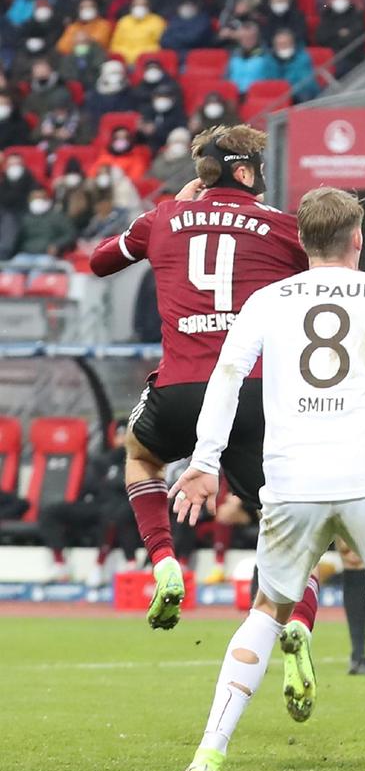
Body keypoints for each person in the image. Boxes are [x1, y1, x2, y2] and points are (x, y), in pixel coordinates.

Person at [169, 186, 365, 771]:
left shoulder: (267, 299)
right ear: (358, 240)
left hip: (292, 479)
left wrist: (206, 459)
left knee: (267, 610)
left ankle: (207, 757)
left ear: (303, 241)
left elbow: (226, 378)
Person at [88, 124, 309, 630]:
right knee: (292, 518)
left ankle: (164, 560)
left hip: (181, 389)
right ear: (246, 170)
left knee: (141, 457)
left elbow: (99, 261)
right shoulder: (282, 227)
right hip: (253, 394)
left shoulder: (164, 218)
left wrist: (169, 208)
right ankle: (297, 621)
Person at [38, 430, 139, 586]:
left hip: (121, 507)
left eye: (126, 435)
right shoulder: (102, 461)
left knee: (113, 514)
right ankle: (60, 564)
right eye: (119, 435)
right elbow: (88, 487)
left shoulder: (140, 461)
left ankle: (99, 566)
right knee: (51, 512)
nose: (123, 440)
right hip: (95, 505)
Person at [15, 187, 76, 260]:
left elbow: (70, 234)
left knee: (41, 269)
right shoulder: (24, 218)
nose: (37, 201)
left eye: (41, 198)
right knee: (9, 269)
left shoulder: (57, 217)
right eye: (34, 198)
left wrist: (57, 245)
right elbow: (16, 238)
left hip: (46, 255)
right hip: (25, 254)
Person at [314, 0, 365, 77]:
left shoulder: (356, 13)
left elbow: (354, 37)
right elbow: (320, 38)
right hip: (331, 55)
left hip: (351, 56)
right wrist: (339, 33)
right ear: (331, 0)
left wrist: (331, 35)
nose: (339, 0)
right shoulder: (326, 14)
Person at [0, 153, 38, 258]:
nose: (14, 167)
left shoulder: (32, 181)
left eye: (17, 164)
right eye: (11, 164)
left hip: (25, 216)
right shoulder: (2, 182)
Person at [265, 29, 319, 103]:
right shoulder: (270, 60)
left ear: (293, 44)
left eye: (285, 44)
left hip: (299, 94)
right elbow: (270, 81)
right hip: (279, 96)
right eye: (279, 44)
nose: (282, 47)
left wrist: (285, 88)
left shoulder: (302, 58)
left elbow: (306, 83)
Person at [110, 0, 167, 65]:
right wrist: (123, 56)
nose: (139, 8)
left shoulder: (157, 22)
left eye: (142, 5)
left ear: (148, 7)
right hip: (124, 60)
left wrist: (141, 56)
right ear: (131, 7)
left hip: (147, 60)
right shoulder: (123, 21)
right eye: (136, 5)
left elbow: (160, 45)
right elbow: (115, 44)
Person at [226, 23, 275, 94]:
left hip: (256, 95)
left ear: (257, 38)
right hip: (234, 95)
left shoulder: (266, 56)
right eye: (244, 38)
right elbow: (226, 77)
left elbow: (271, 79)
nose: (247, 40)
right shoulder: (234, 56)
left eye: (251, 37)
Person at [84, 61, 135, 128]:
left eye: (117, 73)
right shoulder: (95, 94)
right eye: (111, 73)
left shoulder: (128, 92)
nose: (115, 76)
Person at [147, 127, 197, 194]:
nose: (178, 145)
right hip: (158, 195)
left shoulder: (192, 163)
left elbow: (189, 182)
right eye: (176, 141)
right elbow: (152, 175)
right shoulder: (161, 159)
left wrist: (168, 188)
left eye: (182, 142)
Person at [137, 86, 187, 153]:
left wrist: (155, 131)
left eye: (165, 96)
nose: (162, 99)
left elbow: (179, 133)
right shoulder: (148, 112)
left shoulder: (179, 114)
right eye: (159, 96)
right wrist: (141, 131)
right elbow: (140, 138)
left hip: (169, 149)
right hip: (149, 147)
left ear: (172, 99)